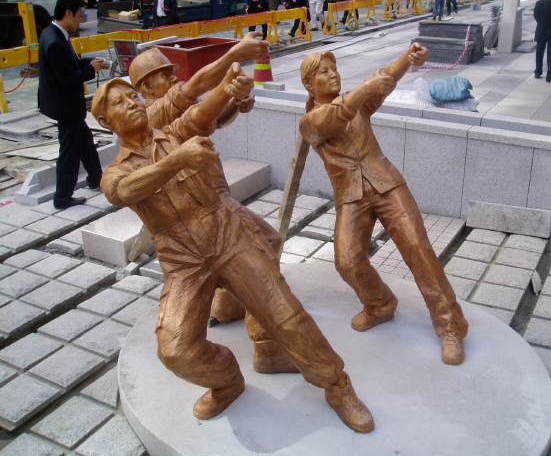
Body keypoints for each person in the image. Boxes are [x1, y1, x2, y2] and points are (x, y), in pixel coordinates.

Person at [92, 72, 375, 434]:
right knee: (175, 349)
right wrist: (176, 161)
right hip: (184, 263)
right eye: (120, 102)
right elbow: (125, 191)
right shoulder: (115, 172)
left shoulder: (176, 133)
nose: (132, 103)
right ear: (106, 121)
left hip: (229, 238)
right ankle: (226, 381)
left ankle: (337, 384)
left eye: (133, 96)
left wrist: (227, 87)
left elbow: (201, 114)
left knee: (287, 316)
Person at [128, 39, 294, 375]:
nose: (174, 79)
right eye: (165, 75)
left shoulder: (167, 111)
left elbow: (208, 118)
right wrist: (235, 54)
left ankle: (228, 303)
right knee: (261, 251)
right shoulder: (152, 115)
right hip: (202, 213)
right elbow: (197, 87)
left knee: (267, 242)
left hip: (213, 201)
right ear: (147, 86)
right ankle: (265, 345)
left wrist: (234, 101)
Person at [299, 46, 469, 366]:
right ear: (309, 84)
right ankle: (380, 304)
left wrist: (407, 58)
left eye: (334, 69)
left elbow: (383, 79)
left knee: (417, 248)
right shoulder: (310, 122)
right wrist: (366, 88)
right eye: (324, 72)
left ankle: (450, 326)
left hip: (387, 185)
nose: (333, 74)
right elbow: (334, 117)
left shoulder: (358, 103)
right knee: (347, 261)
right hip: (351, 196)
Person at [37, 0, 108, 210]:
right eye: (79, 14)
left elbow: (72, 64)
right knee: (69, 153)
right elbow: (67, 77)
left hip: (67, 105)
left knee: (85, 141)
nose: (81, 19)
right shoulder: (54, 42)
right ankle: (62, 198)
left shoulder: (55, 34)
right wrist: (91, 70)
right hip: (65, 106)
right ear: (68, 13)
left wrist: (90, 62)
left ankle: (96, 179)